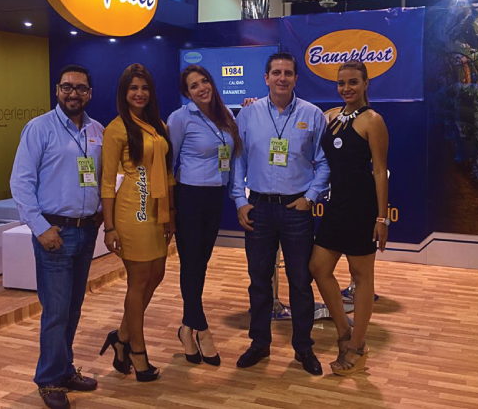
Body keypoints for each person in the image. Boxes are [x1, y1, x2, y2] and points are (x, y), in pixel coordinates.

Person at [10, 64, 103, 409]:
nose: (73, 93)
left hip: (86, 231)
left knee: (73, 308)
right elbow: (21, 182)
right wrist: (39, 228)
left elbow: (103, 176)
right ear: (57, 90)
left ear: (89, 93)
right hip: (55, 234)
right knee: (56, 311)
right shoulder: (39, 128)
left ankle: (63, 370)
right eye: (67, 87)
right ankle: (48, 379)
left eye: (80, 88)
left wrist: (101, 212)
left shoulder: (97, 130)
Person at [231, 52, 330, 375]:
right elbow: (238, 161)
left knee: (300, 281)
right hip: (258, 208)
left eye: (288, 73)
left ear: (296, 78)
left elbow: (324, 162)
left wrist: (310, 197)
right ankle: (259, 343)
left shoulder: (313, 115)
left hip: (296, 209)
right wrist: (240, 200)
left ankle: (303, 348)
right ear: (266, 78)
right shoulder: (248, 114)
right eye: (276, 72)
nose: (282, 78)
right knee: (259, 280)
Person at [309, 60, 389, 376]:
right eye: (341, 83)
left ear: (366, 83)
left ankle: (357, 346)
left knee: (361, 276)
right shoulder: (330, 117)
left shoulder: (373, 121)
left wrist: (381, 219)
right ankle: (344, 331)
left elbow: (379, 171)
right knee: (319, 267)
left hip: (362, 207)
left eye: (353, 82)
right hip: (336, 205)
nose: (347, 88)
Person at [99, 63, 175, 382]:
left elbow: (167, 173)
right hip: (132, 211)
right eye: (133, 88)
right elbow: (107, 182)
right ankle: (138, 353)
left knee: (156, 274)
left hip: (157, 211)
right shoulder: (116, 129)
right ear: (124, 93)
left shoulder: (158, 125)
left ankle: (121, 338)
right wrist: (110, 227)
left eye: (144, 88)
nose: (139, 93)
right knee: (139, 280)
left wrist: (170, 214)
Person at [167, 65, 242, 366]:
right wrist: (170, 208)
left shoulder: (227, 116)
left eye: (204, 81)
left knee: (200, 265)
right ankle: (202, 330)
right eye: (194, 85)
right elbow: (169, 164)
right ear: (187, 93)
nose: (202, 88)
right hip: (189, 197)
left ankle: (187, 328)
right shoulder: (180, 118)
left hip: (215, 198)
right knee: (191, 264)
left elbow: (233, 159)